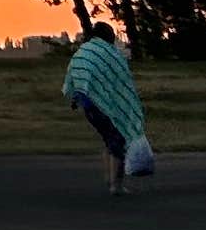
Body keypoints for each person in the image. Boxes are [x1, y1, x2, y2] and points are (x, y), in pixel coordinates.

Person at [62, 18, 149, 192]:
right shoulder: (111, 54)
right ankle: (116, 185)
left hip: (89, 106)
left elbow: (76, 75)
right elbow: (121, 80)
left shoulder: (82, 52)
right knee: (118, 140)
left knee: (109, 140)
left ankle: (110, 181)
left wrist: (76, 97)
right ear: (108, 36)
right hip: (107, 107)